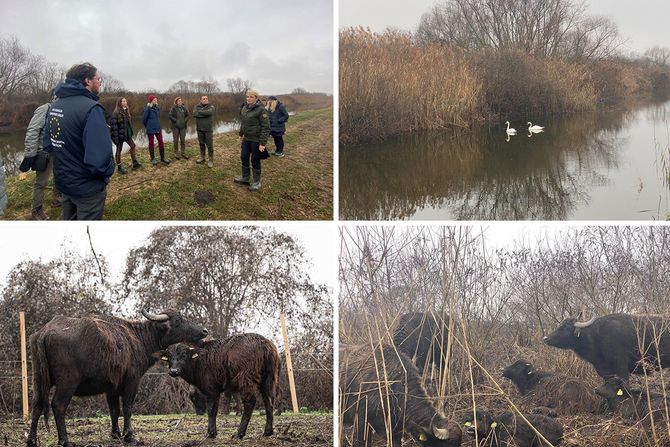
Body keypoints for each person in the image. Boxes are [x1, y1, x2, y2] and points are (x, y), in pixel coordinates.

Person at [42, 62, 115, 220]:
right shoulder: (92, 108)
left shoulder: (55, 106)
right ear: (88, 81)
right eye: (98, 79)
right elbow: (99, 160)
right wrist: (108, 171)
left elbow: (48, 144)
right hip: (88, 189)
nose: (100, 82)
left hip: (65, 184)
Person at [18, 100, 63, 220]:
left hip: (58, 151)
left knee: (59, 177)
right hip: (44, 153)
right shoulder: (44, 109)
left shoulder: (62, 109)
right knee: (41, 183)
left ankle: (57, 200)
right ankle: (36, 211)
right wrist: (30, 155)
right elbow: (33, 131)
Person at [234, 89, 270, 191]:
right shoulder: (245, 108)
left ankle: (256, 181)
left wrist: (262, 143)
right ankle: (245, 177)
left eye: (251, 97)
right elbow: (243, 123)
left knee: (255, 159)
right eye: (247, 97)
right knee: (244, 156)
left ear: (256, 98)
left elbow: (266, 127)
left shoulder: (261, 110)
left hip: (256, 140)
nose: (249, 99)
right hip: (247, 139)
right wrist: (241, 135)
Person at [110, 97, 141, 174]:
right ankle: (119, 168)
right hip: (120, 135)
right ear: (119, 103)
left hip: (127, 134)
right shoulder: (116, 113)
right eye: (123, 101)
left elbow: (127, 123)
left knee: (133, 146)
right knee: (119, 150)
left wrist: (127, 111)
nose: (125, 102)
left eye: (125, 101)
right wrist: (116, 139)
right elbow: (114, 127)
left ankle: (135, 163)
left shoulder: (126, 111)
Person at [142, 95, 170, 165]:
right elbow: (144, 119)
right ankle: (152, 159)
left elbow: (157, 118)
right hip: (150, 128)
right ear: (151, 101)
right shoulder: (148, 108)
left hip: (158, 128)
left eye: (156, 99)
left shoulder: (157, 108)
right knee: (151, 143)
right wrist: (148, 126)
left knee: (161, 142)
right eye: (154, 100)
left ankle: (162, 159)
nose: (156, 100)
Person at [192, 95, 215, 167]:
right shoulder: (196, 107)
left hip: (208, 130)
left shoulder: (211, 107)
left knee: (209, 145)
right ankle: (202, 157)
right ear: (200, 100)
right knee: (201, 144)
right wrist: (204, 113)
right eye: (203, 99)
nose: (205, 100)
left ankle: (211, 160)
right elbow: (194, 114)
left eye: (206, 99)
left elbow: (209, 113)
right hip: (199, 129)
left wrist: (200, 112)